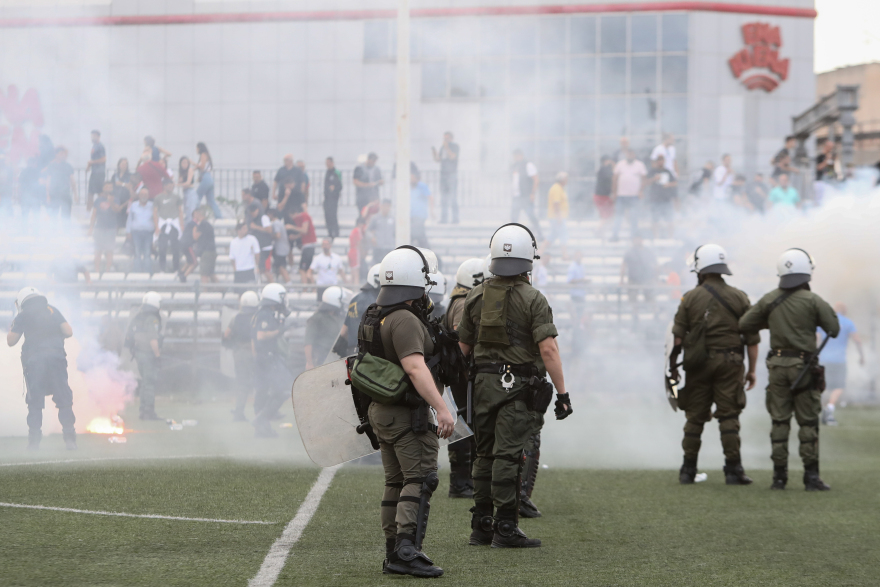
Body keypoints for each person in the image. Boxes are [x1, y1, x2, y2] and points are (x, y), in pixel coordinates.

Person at [457, 224, 572, 548]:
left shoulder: (476, 295)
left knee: (484, 454)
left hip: (482, 385)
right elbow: (548, 350)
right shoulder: (534, 298)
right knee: (508, 456)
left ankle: (481, 525)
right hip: (518, 387)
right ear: (528, 260)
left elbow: (462, 349)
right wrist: (562, 394)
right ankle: (506, 527)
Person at [356, 246, 455, 577]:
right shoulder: (404, 319)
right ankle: (406, 551)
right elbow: (414, 367)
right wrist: (442, 409)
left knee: (395, 481)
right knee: (420, 478)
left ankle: (393, 550)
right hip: (404, 413)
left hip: (380, 410)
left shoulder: (375, 312)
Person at [739, 248, 840, 491]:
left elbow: (744, 324)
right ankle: (811, 477)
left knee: (779, 421)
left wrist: (771, 322)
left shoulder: (769, 298)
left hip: (777, 366)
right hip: (803, 367)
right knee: (807, 422)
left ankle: (779, 478)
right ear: (807, 272)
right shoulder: (813, 300)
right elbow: (833, 329)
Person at [668, 245, 759, 485]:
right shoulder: (739, 296)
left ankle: (687, 470)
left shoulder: (690, 297)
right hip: (731, 364)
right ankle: (733, 471)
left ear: (700, 268)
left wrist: (673, 366)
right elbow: (752, 339)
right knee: (729, 416)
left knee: (695, 418)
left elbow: (677, 338)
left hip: (697, 364)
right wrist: (751, 370)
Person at [7, 287, 77, 450]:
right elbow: (68, 331)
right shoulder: (51, 309)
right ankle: (70, 440)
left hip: (35, 361)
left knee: (35, 402)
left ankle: (34, 443)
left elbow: (11, 341)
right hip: (56, 359)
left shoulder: (23, 315)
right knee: (63, 399)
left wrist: (15, 325)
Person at [443, 257, 484, 499]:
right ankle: (460, 483)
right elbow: (462, 341)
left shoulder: (458, 299)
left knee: (465, 424)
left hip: (460, 374)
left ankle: (463, 481)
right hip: (463, 375)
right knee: (465, 426)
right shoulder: (464, 302)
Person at [251, 283, 294, 438]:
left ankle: (262, 428)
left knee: (262, 391)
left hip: (263, 357)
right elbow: (261, 336)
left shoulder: (261, 313)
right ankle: (263, 418)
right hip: (268, 357)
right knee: (284, 388)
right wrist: (281, 330)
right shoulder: (265, 314)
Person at [818, 303, 864, 426]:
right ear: (844, 311)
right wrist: (861, 356)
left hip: (823, 359)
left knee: (823, 385)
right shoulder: (848, 322)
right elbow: (857, 340)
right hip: (839, 361)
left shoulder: (823, 322)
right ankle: (829, 408)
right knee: (839, 387)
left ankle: (819, 409)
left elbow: (816, 339)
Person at [125, 292, 164, 420]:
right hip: (147, 354)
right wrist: (157, 356)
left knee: (144, 383)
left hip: (138, 353)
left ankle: (143, 411)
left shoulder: (140, 316)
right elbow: (153, 338)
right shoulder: (151, 318)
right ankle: (148, 412)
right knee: (149, 383)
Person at [224, 291, 260, 422]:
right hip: (254, 352)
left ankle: (239, 412)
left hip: (239, 353)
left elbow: (227, 334)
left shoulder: (236, 317)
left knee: (242, 383)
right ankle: (261, 413)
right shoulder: (257, 317)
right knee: (260, 382)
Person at [305, 285, 350, 369]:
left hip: (338, 357)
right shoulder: (316, 318)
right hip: (322, 359)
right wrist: (309, 363)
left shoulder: (340, 317)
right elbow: (308, 342)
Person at [611, 149, 647, 242]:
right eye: (628, 154)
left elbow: (643, 179)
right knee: (618, 216)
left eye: (631, 154)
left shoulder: (640, 165)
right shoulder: (620, 164)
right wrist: (614, 192)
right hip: (621, 195)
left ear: (634, 155)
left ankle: (633, 237)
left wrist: (641, 191)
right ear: (626, 155)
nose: (630, 156)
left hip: (634, 196)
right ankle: (615, 235)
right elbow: (615, 179)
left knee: (634, 217)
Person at [510, 149, 544, 241]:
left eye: (517, 155)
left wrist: (532, 193)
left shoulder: (528, 165)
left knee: (531, 216)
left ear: (521, 155)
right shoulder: (514, 166)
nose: (516, 158)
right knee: (514, 217)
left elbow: (536, 179)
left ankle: (540, 234)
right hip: (516, 196)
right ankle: (512, 236)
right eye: (514, 156)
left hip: (526, 196)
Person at [153, 178, 184, 273]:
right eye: (169, 185)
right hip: (163, 224)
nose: (171, 187)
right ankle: (162, 269)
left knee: (175, 248)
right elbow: (155, 212)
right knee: (162, 248)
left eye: (172, 185)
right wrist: (156, 227)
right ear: (164, 186)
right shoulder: (158, 197)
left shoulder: (177, 197)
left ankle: (176, 269)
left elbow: (180, 211)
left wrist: (182, 225)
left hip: (174, 224)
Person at [89, 181, 120, 273]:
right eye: (107, 187)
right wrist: (91, 228)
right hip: (99, 228)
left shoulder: (116, 199)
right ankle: (97, 269)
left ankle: (107, 270)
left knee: (109, 250)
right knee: (98, 250)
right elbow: (94, 214)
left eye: (110, 187)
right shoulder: (98, 200)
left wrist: (111, 202)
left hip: (111, 228)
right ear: (103, 188)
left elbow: (116, 210)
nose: (109, 189)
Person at [645, 154, 677, 238]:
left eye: (662, 160)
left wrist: (668, 184)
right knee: (655, 220)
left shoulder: (667, 171)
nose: (660, 162)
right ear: (656, 162)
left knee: (670, 220)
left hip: (666, 199)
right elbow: (646, 182)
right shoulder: (652, 171)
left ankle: (671, 237)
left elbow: (675, 182)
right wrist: (654, 179)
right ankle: (656, 237)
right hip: (655, 199)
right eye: (658, 160)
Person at [620, 235, 658, 305]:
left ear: (642, 240)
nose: (637, 241)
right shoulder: (629, 252)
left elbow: (655, 266)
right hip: (633, 279)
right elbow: (623, 266)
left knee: (651, 299)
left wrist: (655, 278)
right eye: (635, 240)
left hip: (647, 278)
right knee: (632, 300)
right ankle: (634, 314)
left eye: (638, 239)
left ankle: (653, 313)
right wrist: (621, 280)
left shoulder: (648, 251)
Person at [432, 131, 460, 224]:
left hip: (452, 174)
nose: (445, 140)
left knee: (453, 197)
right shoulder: (442, 148)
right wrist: (434, 153)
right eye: (444, 138)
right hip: (443, 175)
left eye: (447, 138)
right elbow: (438, 160)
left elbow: (452, 157)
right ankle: (444, 219)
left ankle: (455, 219)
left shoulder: (455, 147)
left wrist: (447, 147)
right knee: (443, 198)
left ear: (451, 138)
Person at [127, 188, 155, 273]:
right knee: (137, 253)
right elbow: (129, 219)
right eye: (142, 194)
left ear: (148, 196)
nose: (144, 196)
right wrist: (128, 232)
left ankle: (147, 271)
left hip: (148, 233)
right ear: (139, 195)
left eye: (146, 194)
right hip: (136, 233)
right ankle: (137, 271)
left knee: (147, 253)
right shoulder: (133, 205)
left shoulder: (152, 205)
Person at [287, 207, 316, 283]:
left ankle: (305, 288)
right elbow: (303, 232)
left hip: (308, 245)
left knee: (302, 270)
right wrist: (295, 237)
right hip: (306, 246)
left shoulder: (304, 216)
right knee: (306, 269)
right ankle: (311, 288)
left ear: (295, 214)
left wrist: (292, 227)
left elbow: (304, 230)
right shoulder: (299, 219)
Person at [46, 146, 77, 218]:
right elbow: (48, 181)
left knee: (66, 216)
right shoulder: (51, 166)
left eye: (64, 154)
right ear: (56, 155)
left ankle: (66, 229)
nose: (63, 155)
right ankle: (53, 229)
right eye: (61, 153)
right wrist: (47, 195)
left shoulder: (68, 166)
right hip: (54, 194)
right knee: (53, 216)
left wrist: (75, 194)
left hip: (65, 194)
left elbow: (72, 180)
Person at [247, 203, 274, 281]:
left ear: (257, 210)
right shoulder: (252, 219)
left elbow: (269, 230)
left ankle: (272, 284)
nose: (252, 213)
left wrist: (256, 227)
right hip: (260, 247)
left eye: (253, 211)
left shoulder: (263, 217)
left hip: (265, 247)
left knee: (265, 269)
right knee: (261, 269)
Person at [546, 172, 569, 258]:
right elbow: (556, 203)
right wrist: (559, 217)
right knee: (563, 235)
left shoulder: (559, 188)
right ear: (562, 180)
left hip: (556, 217)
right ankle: (564, 255)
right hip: (557, 217)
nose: (567, 181)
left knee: (552, 235)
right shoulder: (557, 188)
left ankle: (540, 251)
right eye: (566, 179)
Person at [367, 199, 396, 268]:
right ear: (381, 206)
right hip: (378, 247)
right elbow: (367, 230)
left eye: (388, 206)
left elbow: (396, 233)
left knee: (388, 268)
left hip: (389, 247)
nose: (386, 208)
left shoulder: (393, 219)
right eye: (385, 206)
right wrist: (372, 237)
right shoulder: (375, 218)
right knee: (378, 267)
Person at [192, 207, 217, 283]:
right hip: (212, 251)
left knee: (204, 274)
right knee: (211, 273)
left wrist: (194, 227)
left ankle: (204, 293)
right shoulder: (208, 224)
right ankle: (221, 289)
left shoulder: (202, 224)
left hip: (206, 252)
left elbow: (195, 237)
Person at [409, 170, 433, 248]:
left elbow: (430, 197)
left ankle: (426, 249)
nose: (410, 179)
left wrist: (432, 211)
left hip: (420, 215)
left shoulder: (422, 186)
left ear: (416, 178)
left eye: (412, 178)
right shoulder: (408, 187)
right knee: (414, 234)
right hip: (410, 215)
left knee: (419, 233)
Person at [268, 208, 292, 284]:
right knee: (279, 267)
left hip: (281, 249)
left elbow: (278, 235)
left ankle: (289, 283)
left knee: (281, 267)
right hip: (282, 248)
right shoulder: (279, 223)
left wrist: (270, 236)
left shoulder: (276, 223)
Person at [85, 129, 107, 212]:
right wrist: (89, 166)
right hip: (94, 172)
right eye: (92, 136)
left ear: (98, 137)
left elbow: (103, 159)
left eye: (94, 136)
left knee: (100, 193)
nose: (92, 138)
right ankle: (88, 212)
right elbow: (92, 160)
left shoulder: (100, 146)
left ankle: (103, 210)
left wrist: (92, 162)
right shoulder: (94, 146)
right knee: (90, 193)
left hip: (99, 173)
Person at [594, 156, 615, 235]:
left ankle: (602, 231)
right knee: (606, 216)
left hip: (601, 196)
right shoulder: (604, 169)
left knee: (608, 216)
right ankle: (598, 230)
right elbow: (612, 176)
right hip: (603, 197)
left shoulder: (601, 170)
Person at [323, 157, 343, 239]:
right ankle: (330, 232)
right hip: (327, 198)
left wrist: (334, 188)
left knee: (333, 215)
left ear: (332, 163)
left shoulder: (336, 172)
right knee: (327, 215)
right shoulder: (327, 172)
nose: (327, 165)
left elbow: (340, 186)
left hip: (334, 198)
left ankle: (336, 232)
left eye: (328, 163)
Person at [178, 156, 198, 223]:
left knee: (190, 211)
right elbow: (180, 181)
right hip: (185, 192)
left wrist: (177, 184)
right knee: (186, 211)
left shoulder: (190, 170)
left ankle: (191, 225)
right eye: (183, 163)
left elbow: (188, 183)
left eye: (186, 162)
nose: (185, 164)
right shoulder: (181, 172)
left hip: (190, 192)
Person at [348, 217, 368, 283]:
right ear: (360, 224)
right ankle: (356, 290)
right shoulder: (358, 230)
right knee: (356, 273)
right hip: (355, 252)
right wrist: (362, 253)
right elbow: (359, 243)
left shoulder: (353, 231)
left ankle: (351, 288)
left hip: (351, 251)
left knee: (352, 273)